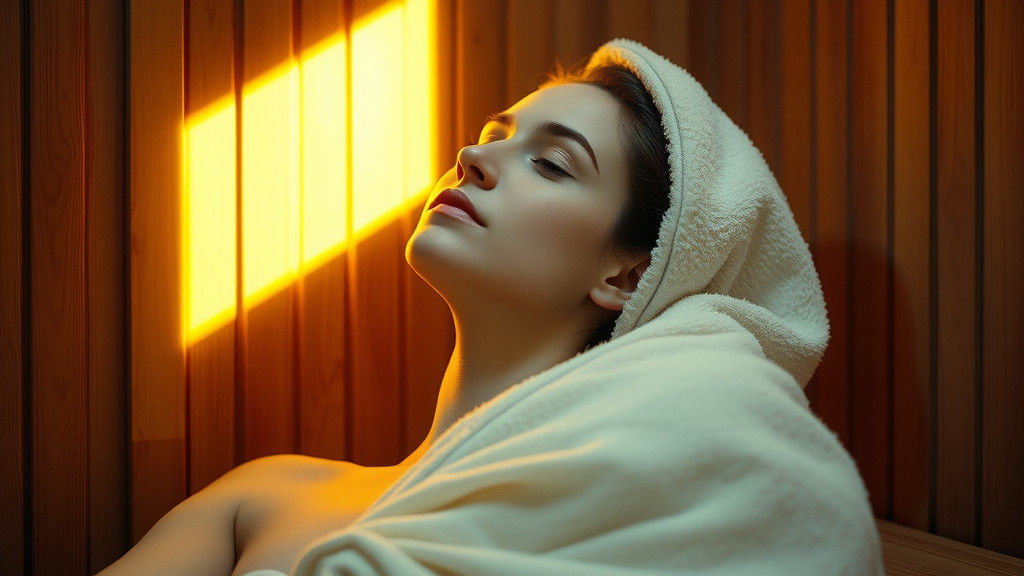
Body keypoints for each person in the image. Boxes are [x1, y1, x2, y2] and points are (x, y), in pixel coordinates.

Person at [98, 39, 884, 576]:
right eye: (491, 136)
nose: (473, 158)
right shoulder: (265, 493)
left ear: (627, 273)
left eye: (550, 163)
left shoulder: (682, 464)